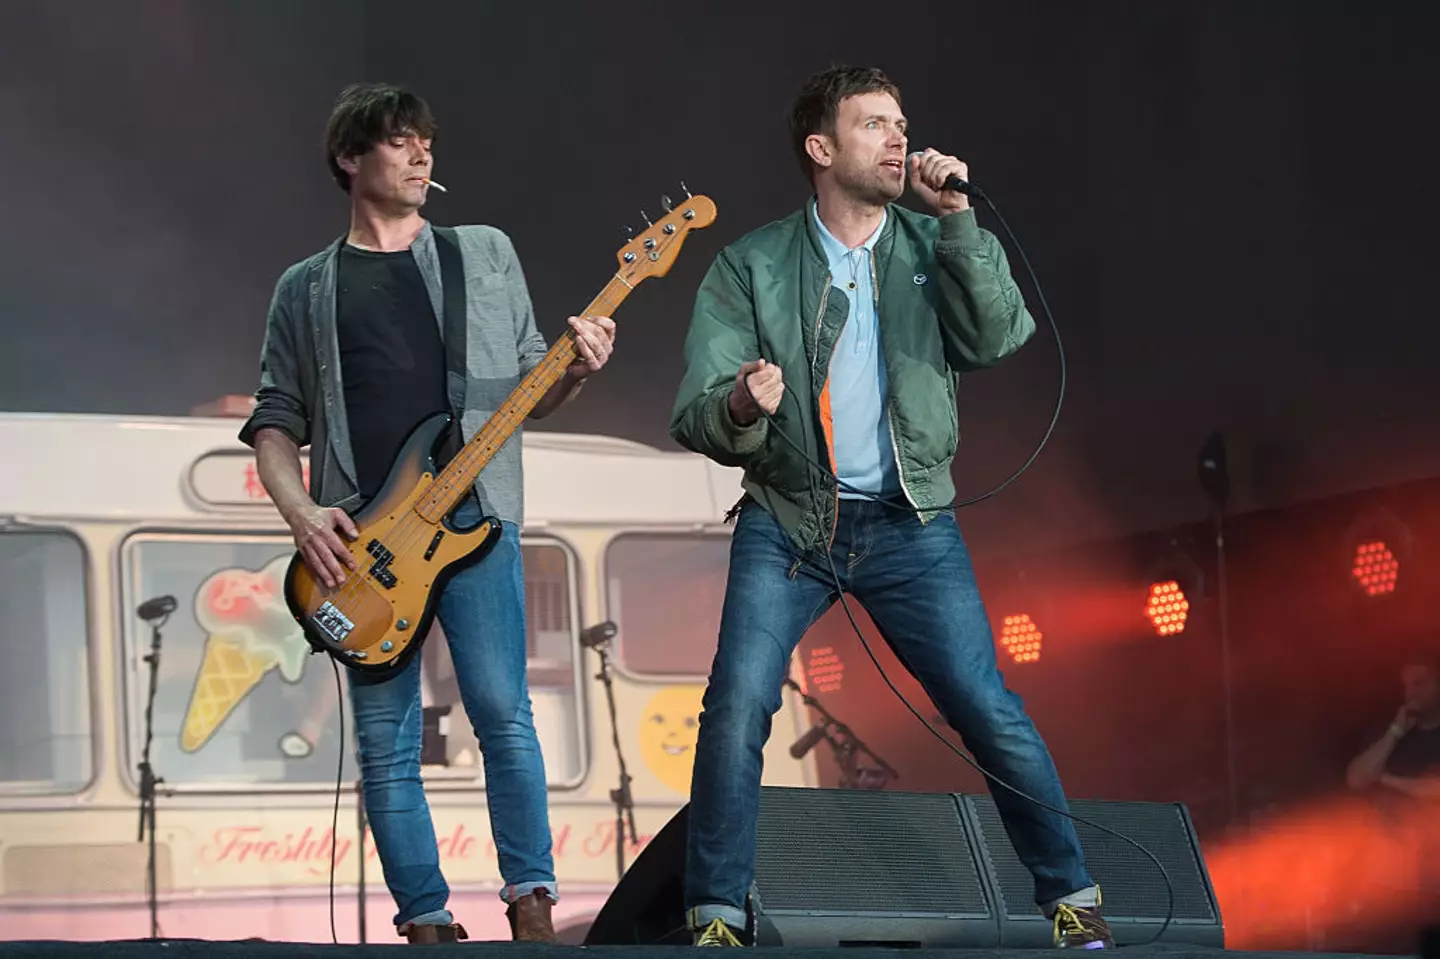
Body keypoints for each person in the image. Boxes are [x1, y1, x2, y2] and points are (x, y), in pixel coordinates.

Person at [669, 66, 1112, 949]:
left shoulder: (933, 239)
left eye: (901, 122)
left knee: (987, 708)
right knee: (737, 705)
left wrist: (959, 223)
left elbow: (997, 337)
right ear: (821, 148)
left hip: (911, 525)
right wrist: (742, 406)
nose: (899, 137)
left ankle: (1072, 896)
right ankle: (716, 913)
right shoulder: (751, 264)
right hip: (792, 524)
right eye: (874, 124)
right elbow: (696, 412)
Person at [239, 82, 616, 944]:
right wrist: (302, 514)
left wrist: (576, 368)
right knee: (385, 742)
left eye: (426, 141)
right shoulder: (306, 288)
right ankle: (426, 923)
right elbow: (274, 421)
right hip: (365, 545)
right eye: (400, 141)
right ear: (350, 158)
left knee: (502, 712)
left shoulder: (483, 252)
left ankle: (531, 905)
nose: (422, 154)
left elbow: (532, 389)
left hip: (478, 518)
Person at [1346, 661, 1440, 799]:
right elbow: (1356, 781)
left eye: (1419, 684)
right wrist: (1395, 732)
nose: (1410, 693)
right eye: (1405, 686)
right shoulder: (1389, 727)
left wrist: (1386, 779)